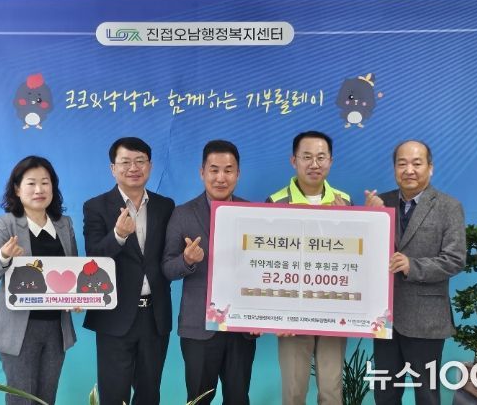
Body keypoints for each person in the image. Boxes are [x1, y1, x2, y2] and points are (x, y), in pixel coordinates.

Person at [163, 140, 257, 405]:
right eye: (214, 170)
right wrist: (186, 260)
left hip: (241, 327)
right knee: (198, 399)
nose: (221, 177)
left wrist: (259, 316)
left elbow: (262, 269)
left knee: (238, 399)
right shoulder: (182, 214)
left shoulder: (253, 213)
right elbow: (167, 268)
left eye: (228, 170)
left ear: (238, 173)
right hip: (198, 327)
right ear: (201, 172)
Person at [372, 140, 465, 405]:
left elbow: (455, 260)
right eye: (402, 163)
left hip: (426, 319)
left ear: (430, 168)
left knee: (426, 395)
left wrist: (413, 266)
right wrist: (367, 216)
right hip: (385, 318)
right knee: (384, 393)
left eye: (416, 163)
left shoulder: (449, 207)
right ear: (394, 169)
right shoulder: (382, 202)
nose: (409, 170)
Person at [82, 137, 175, 405]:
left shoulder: (165, 206)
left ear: (150, 166)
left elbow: (167, 256)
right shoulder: (96, 206)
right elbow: (93, 260)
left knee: (149, 394)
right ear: (113, 168)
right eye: (125, 162)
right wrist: (119, 236)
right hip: (115, 315)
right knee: (113, 395)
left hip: (155, 315)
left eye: (140, 161)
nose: (133, 168)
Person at [0, 155, 77, 405]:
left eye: (45, 183)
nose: (39, 190)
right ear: (17, 189)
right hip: (19, 330)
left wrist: (77, 298)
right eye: (31, 183)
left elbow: (73, 271)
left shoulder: (64, 224)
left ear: (53, 187)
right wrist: (4, 256)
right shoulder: (4, 224)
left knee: (47, 399)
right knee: (22, 400)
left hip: (56, 329)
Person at [267, 130, 353, 405]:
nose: (314, 164)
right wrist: (276, 314)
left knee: (331, 391)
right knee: (294, 391)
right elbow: (265, 260)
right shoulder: (276, 202)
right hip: (292, 313)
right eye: (306, 157)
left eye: (321, 157)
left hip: (333, 309)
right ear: (294, 161)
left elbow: (355, 259)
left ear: (330, 161)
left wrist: (348, 222)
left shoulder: (344, 201)